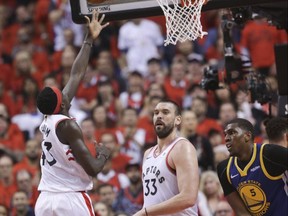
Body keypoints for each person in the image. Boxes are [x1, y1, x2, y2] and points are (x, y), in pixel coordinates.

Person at [34, 10, 111, 216]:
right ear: (62, 104)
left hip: (45, 200)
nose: (65, 91)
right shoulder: (67, 125)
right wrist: (103, 155)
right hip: (70, 198)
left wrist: (88, 39)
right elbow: (93, 168)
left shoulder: (48, 118)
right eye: (63, 94)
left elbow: (76, 74)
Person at [133, 99, 199, 216]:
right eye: (156, 113)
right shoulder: (147, 153)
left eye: (165, 112)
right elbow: (151, 200)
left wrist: (145, 212)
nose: (159, 116)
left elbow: (188, 197)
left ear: (177, 120)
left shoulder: (182, 147)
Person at [217, 118, 288, 215]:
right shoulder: (224, 169)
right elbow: (241, 212)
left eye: (232, 132)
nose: (226, 138)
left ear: (247, 136)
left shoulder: (270, 153)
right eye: (225, 134)